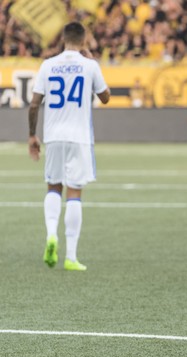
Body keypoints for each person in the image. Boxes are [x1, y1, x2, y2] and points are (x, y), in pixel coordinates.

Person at [28, 22, 110, 271]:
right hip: (80, 138)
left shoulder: (48, 65)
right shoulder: (89, 66)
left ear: (63, 39)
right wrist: (93, 60)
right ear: (84, 40)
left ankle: (51, 234)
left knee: (53, 187)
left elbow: (34, 104)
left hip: (53, 136)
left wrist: (32, 135)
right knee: (74, 192)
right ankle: (71, 257)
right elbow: (106, 98)